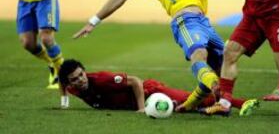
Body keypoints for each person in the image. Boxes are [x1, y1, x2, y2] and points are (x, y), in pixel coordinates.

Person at [72, 0, 249, 113]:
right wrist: (94, 21)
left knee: (224, 62)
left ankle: (209, 104)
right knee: (199, 53)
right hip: (185, 21)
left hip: (205, 23)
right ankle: (209, 91)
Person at [59, 59, 259, 115]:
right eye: (75, 79)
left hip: (150, 92)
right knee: (185, 110)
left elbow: (135, 81)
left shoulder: (101, 79)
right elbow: (61, 82)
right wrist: (64, 102)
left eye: (81, 75)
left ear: (85, 72)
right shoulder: (72, 88)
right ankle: (218, 110)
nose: (80, 80)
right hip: (147, 100)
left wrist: (140, 109)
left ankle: (241, 103)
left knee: (193, 99)